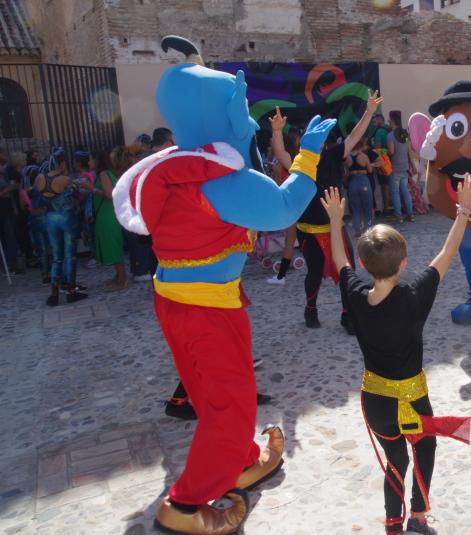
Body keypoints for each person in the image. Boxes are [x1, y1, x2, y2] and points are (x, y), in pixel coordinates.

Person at [114, 36, 338, 533]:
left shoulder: (181, 164)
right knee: (229, 407)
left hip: (180, 299)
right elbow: (281, 208)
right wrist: (309, 155)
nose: (251, 120)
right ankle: (185, 504)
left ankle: (238, 461)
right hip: (206, 311)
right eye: (239, 107)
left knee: (215, 391)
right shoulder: (219, 178)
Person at [321, 177, 471, 535]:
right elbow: (445, 255)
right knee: (425, 452)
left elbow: (339, 259)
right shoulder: (413, 296)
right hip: (412, 399)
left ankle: (393, 524)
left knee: (395, 462)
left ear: (364, 263)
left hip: (375, 400)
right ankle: (418, 519)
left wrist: (335, 220)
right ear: (404, 263)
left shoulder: (356, 294)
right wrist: (463, 209)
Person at [297, 89, 383, 331]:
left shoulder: (335, 155)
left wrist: (368, 112)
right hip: (308, 227)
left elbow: (355, 136)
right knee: (314, 273)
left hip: (334, 224)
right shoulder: (301, 160)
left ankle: (348, 316)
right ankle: (310, 310)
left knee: (347, 270)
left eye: (321, 136)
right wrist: (274, 134)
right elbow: (282, 159)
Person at [34, 147, 88, 305]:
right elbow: (76, 197)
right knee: (70, 256)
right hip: (67, 218)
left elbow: (39, 200)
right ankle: (71, 291)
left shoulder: (39, 178)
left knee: (56, 258)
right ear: (62, 162)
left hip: (50, 218)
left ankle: (54, 294)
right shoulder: (65, 180)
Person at [267, 107, 302, 285]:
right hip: (295, 203)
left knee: (290, 239)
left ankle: (281, 276)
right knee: (293, 238)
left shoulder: (282, 164)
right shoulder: (292, 161)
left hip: (290, 204)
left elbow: (277, 184)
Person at [94, 147, 129, 291]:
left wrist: (91, 189)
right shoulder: (110, 172)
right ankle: (118, 276)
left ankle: (122, 278)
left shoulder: (103, 174)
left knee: (113, 247)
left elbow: (109, 195)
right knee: (112, 245)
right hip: (109, 213)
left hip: (107, 214)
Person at [387, 111, 414, 223]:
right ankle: (410, 215)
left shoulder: (390, 136)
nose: (388, 121)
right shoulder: (405, 134)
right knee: (405, 191)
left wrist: (385, 152)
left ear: (392, 121)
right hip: (404, 166)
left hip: (395, 167)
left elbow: (391, 152)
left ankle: (398, 216)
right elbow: (408, 150)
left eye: (389, 120)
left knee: (395, 192)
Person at [346, 136, 375, 234]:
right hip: (364, 181)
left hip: (352, 182)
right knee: (367, 205)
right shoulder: (364, 156)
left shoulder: (347, 158)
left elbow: (345, 172)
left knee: (355, 207)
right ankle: (369, 228)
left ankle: (357, 229)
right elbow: (370, 170)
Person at [371, 113, 393, 215]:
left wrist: (371, 150)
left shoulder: (379, 131)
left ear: (380, 120)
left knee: (384, 185)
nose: (373, 123)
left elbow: (377, 148)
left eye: (374, 121)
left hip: (383, 162)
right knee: (389, 184)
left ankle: (386, 208)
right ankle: (391, 205)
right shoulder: (390, 130)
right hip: (392, 161)